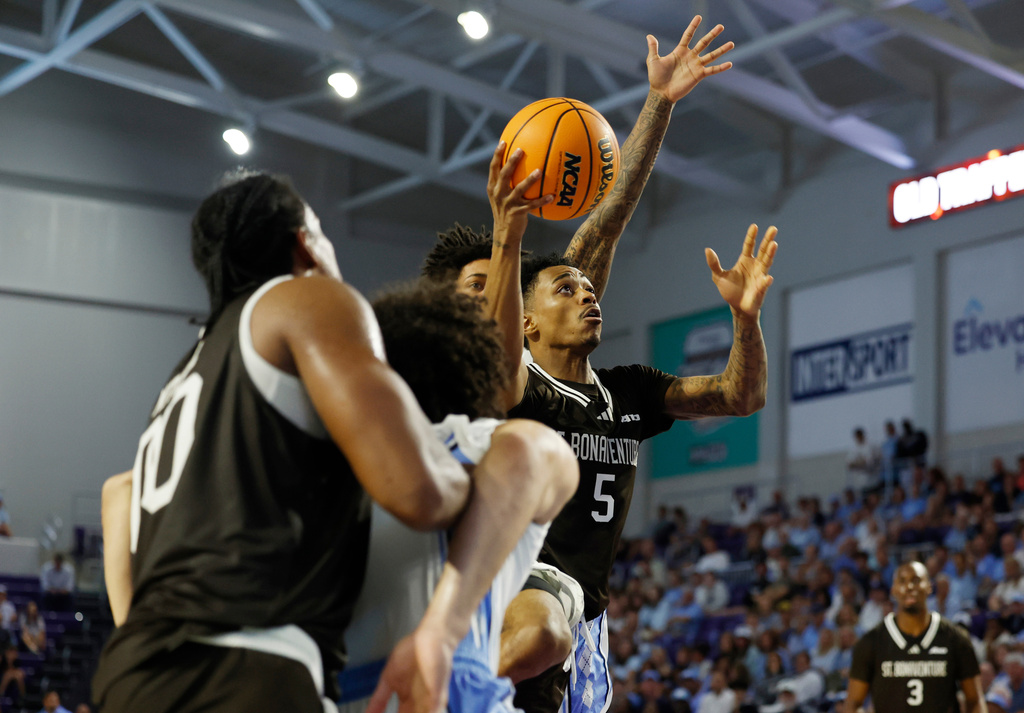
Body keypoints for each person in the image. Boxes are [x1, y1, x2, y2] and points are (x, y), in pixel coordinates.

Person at [423, 16, 742, 712]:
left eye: (495, 285)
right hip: (512, 588)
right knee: (530, 637)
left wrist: (659, 102)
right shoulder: (475, 378)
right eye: (475, 291)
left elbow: (612, 213)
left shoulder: (606, 382)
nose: (581, 292)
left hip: (584, 612)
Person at [91, 170, 493, 713]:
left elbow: (119, 491)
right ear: (305, 243)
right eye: (323, 232)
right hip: (244, 669)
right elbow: (420, 492)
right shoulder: (307, 300)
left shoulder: (189, 368)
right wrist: (482, 466)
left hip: (130, 676)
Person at [337, 280, 578, 712]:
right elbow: (530, 449)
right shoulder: (483, 445)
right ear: (482, 374)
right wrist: (443, 631)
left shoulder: (342, 465)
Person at [843, 561, 984, 713]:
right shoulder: (870, 642)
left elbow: (975, 700)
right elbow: (853, 704)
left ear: (929, 586)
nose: (909, 587)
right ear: (893, 590)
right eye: (902, 581)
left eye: (916, 580)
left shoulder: (955, 639)